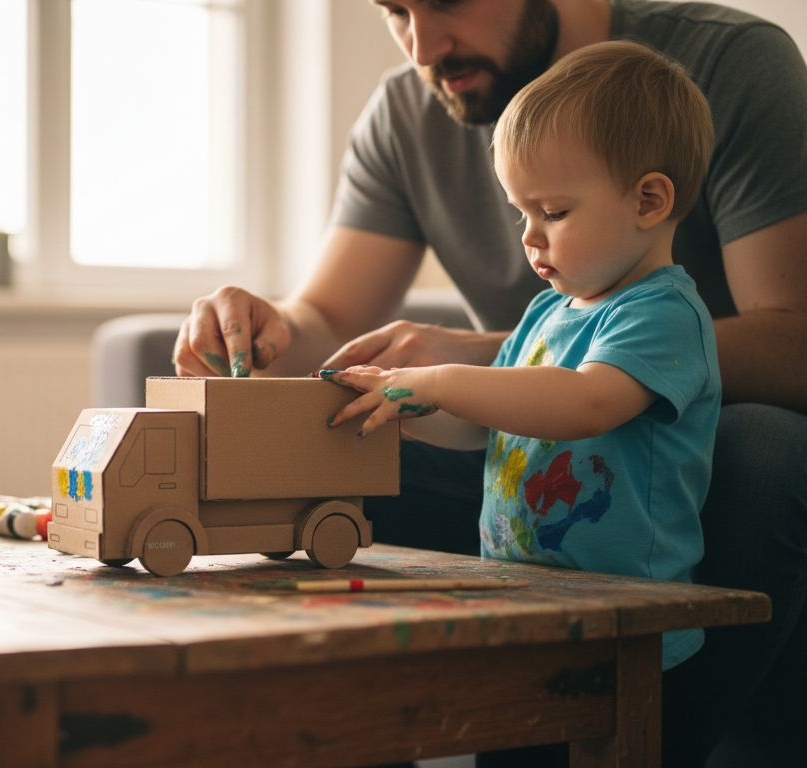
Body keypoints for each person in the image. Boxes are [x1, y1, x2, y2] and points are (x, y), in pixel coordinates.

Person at [174, 1, 807, 765]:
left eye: (444, 0)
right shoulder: (419, 123)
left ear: (651, 200)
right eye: (395, 10)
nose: (421, 46)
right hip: (529, 516)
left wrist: (457, 371)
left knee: (768, 448)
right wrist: (282, 338)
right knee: (346, 426)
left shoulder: (719, 79)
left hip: (672, 466)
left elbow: (604, 392)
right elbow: (341, 320)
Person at [323, 38, 716, 764]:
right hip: (523, 603)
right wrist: (407, 414)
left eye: (554, 211)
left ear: (649, 200)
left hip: (625, 621)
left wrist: (437, 378)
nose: (530, 238)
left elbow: (587, 404)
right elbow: (486, 424)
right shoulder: (546, 314)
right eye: (519, 214)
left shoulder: (662, 315)